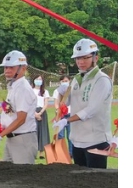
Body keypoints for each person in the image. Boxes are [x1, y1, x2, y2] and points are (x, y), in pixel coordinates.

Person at [52, 38, 114, 168]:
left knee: (95, 183)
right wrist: (61, 93)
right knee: (80, 182)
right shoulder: (76, 78)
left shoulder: (101, 80)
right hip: (77, 140)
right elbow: (67, 102)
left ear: (95, 57)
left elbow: (91, 110)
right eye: (77, 58)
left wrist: (66, 121)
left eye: (85, 58)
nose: (81, 62)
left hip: (95, 141)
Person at [0, 50, 37, 164]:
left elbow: (21, 119)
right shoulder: (14, 86)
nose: (7, 71)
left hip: (23, 139)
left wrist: (0, 136)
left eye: (11, 68)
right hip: (13, 138)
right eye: (5, 68)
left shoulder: (23, 88)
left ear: (23, 68)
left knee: (23, 177)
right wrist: (2, 118)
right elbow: (13, 111)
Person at [53, 75, 73, 154]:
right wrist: (58, 110)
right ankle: (61, 152)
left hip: (70, 115)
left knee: (70, 136)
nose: (65, 83)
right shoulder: (57, 91)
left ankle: (71, 153)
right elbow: (56, 103)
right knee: (60, 135)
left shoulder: (71, 90)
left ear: (69, 81)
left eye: (66, 81)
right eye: (63, 81)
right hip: (61, 115)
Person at [33, 75, 52, 160]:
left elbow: (46, 104)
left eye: (40, 79)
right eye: (37, 79)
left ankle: (41, 152)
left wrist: (40, 113)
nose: (38, 81)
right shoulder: (30, 90)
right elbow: (28, 103)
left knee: (42, 132)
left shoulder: (45, 91)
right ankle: (34, 152)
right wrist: (35, 114)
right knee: (34, 132)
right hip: (33, 112)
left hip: (42, 112)